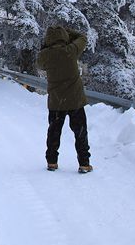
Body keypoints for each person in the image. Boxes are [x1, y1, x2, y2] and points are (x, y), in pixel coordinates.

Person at [36, 25, 92, 174]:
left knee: (54, 132)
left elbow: (39, 64)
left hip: (56, 101)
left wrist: (46, 46)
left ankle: (52, 162)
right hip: (75, 100)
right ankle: (84, 164)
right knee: (80, 133)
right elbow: (83, 38)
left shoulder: (45, 55)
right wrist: (69, 33)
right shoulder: (71, 51)